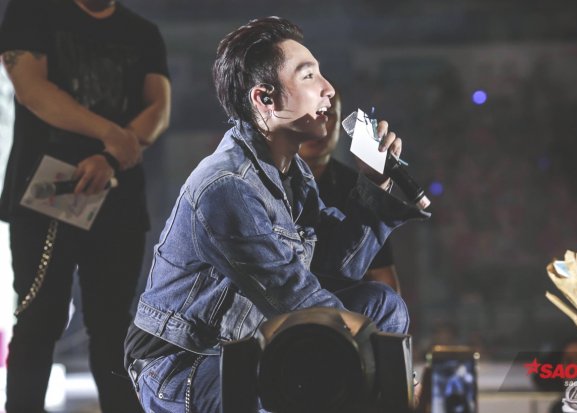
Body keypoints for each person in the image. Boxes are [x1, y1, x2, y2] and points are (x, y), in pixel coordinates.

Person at [124, 16, 428, 412]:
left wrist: (375, 182)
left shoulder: (292, 173)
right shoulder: (227, 187)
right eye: (309, 76)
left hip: (244, 343)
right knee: (304, 375)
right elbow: (298, 300)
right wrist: (391, 370)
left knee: (381, 304)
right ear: (264, 99)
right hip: (185, 364)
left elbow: (337, 266)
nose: (328, 89)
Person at [0, 0, 171, 411]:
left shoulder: (142, 32)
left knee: (113, 325)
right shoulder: (33, 12)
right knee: (40, 318)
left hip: (117, 191)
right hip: (49, 188)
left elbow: (159, 109)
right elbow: (31, 90)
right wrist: (111, 134)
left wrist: (110, 157)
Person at [299, 91, 401, 292]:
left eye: (327, 113)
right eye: (309, 113)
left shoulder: (359, 188)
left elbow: (383, 276)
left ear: (341, 122)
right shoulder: (261, 183)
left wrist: (376, 183)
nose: (318, 123)